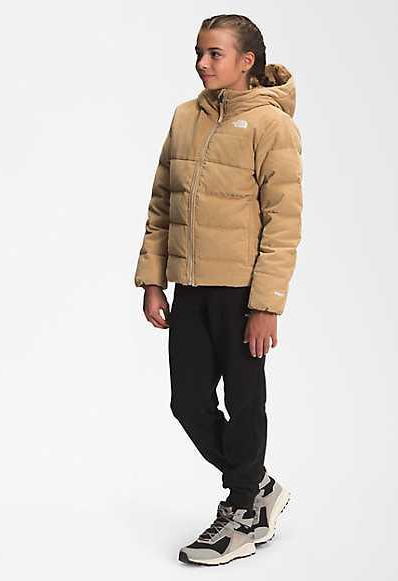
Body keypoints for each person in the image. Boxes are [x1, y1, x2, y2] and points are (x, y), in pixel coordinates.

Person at [134, 14, 303, 566]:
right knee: (187, 402)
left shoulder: (272, 126)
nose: (202, 63)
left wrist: (266, 307)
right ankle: (257, 485)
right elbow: (161, 204)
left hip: (241, 294)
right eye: (199, 53)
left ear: (246, 61)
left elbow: (283, 223)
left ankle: (242, 512)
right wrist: (154, 279)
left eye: (214, 54)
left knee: (244, 401)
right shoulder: (186, 117)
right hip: (190, 288)